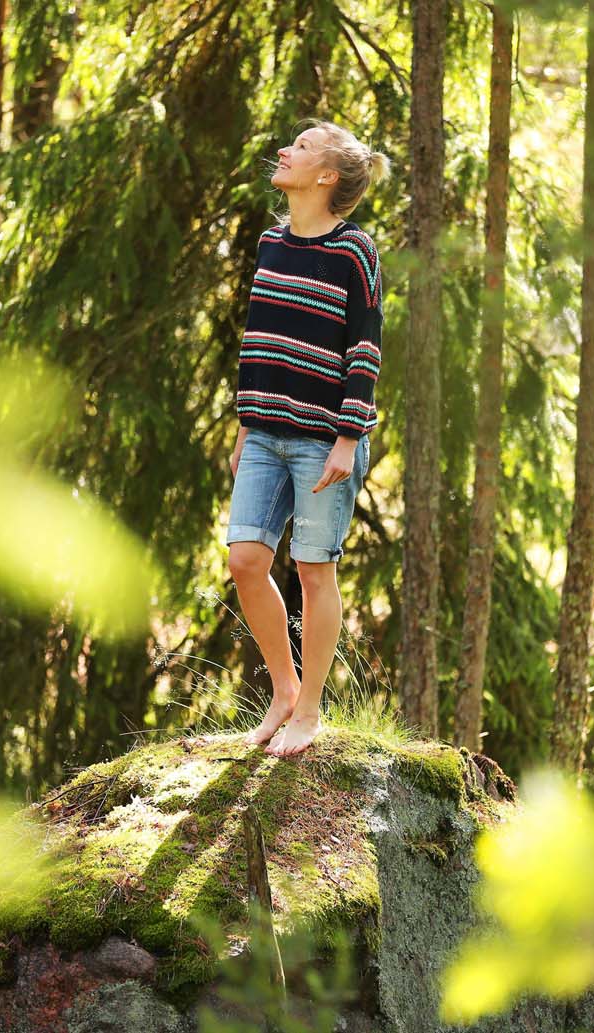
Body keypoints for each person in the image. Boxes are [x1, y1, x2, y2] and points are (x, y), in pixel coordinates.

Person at [225, 118, 392, 757]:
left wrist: (348, 439)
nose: (284, 151)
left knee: (314, 570)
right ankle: (284, 691)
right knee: (246, 561)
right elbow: (258, 340)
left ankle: (311, 711)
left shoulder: (356, 252)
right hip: (265, 433)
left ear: (327, 176)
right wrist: (245, 424)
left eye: (301, 147)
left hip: (326, 440)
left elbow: (365, 348)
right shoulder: (272, 242)